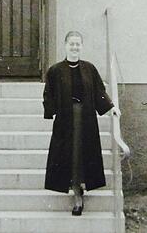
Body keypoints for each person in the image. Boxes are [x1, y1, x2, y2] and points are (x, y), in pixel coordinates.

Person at [42, 30, 121, 215]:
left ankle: (80, 188)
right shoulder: (55, 70)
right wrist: (50, 112)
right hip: (66, 120)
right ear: (65, 45)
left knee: (82, 154)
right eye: (72, 44)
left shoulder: (89, 69)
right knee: (70, 155)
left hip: (85, 119)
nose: (75, 47)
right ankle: (76, 192)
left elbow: (99, 91)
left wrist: (112, 107)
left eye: (78, 44)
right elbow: (49, 94)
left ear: (82, 46)